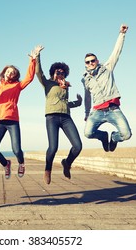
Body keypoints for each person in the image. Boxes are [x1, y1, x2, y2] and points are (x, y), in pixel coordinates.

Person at [0, 45, 43, 179]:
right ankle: (6, 164)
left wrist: (33, 60)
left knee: (16, 149)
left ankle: (21, 163)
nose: (10, 73)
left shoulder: (17, 86)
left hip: (13, 121)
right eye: (8, 71)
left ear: (15, 76)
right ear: (4, 72)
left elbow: (29, 78)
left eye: (13, 72)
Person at [82, 24, 132, 152]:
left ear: (97, 61)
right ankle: (103, 136)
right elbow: (87, 97)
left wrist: (122, 34)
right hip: (97, 111)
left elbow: (116, 52)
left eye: (93, 60)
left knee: (126, 134)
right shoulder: (85, 79)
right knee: (87, 133)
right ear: (85, 65)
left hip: (113, 110)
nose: (91, 63)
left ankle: (114, 138)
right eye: (88, 62)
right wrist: (87, 113)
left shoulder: (107, 68)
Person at [36, 53, 83, 184]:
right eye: (58, 72)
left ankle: (67, 163)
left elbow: (64, 103)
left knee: (78, 146)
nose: (60, 74)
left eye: (63, 73)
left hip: (66, 117)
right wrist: (37, 57)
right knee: (53, 147)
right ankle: (47, 170)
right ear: (53, 72)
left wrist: (78, 103)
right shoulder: (48, 83)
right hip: (52, 117)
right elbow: (38, 72)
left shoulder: (65, 87)